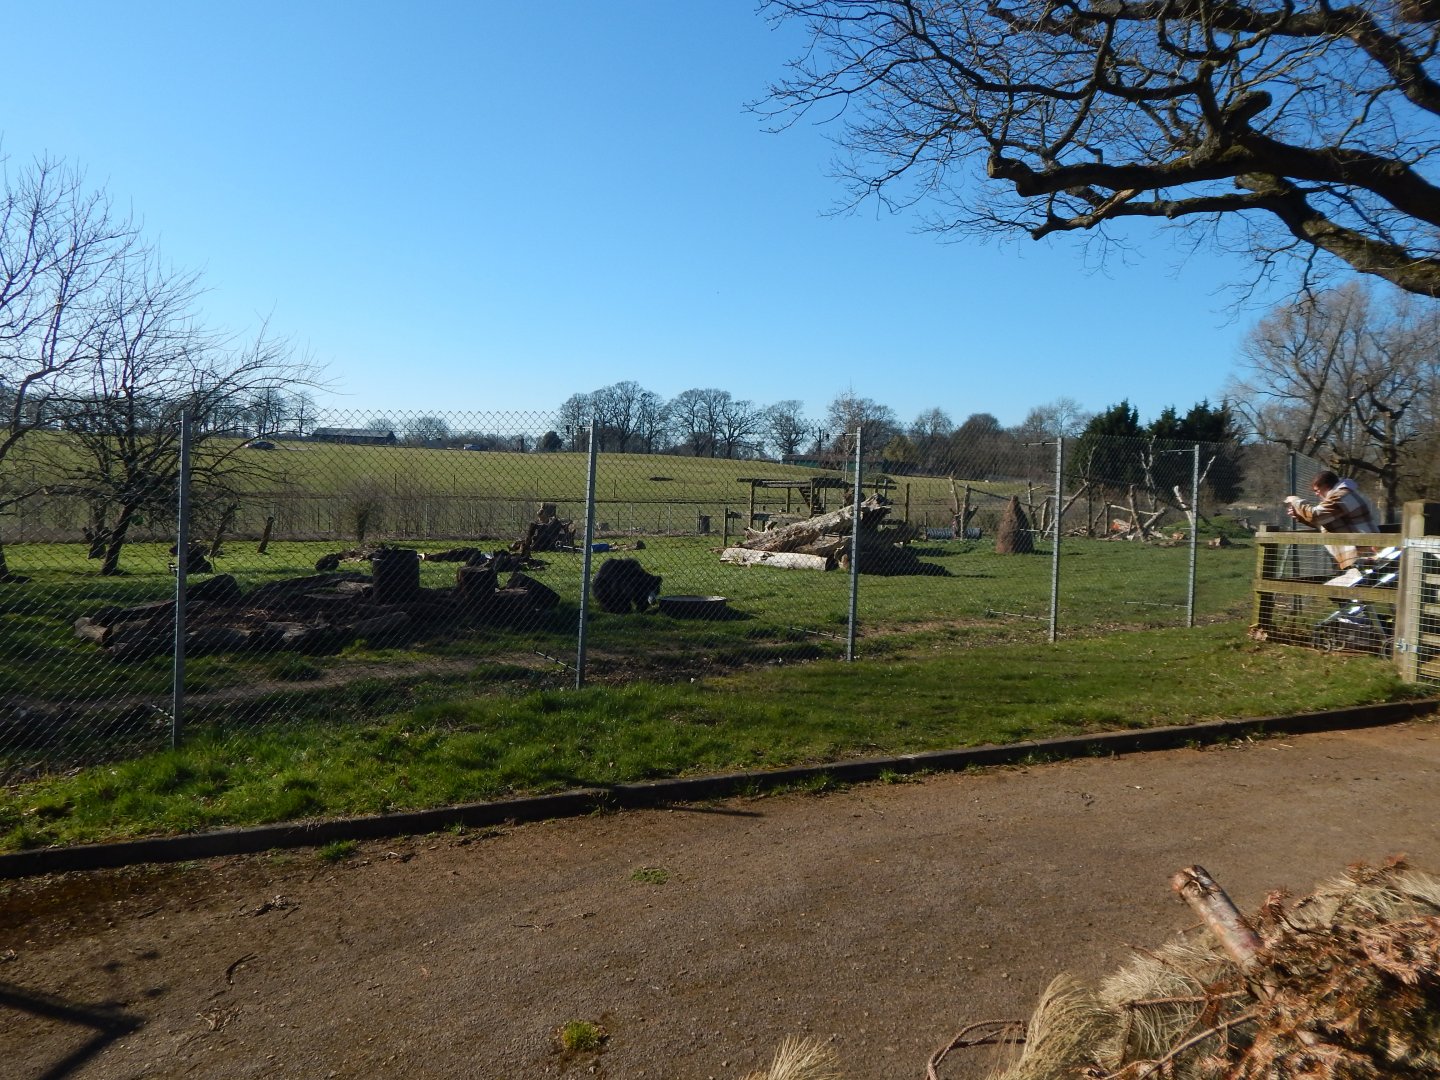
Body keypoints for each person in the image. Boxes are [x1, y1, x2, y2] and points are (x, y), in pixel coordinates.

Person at [1284, 470, 1379, 569]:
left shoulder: (1340, 496)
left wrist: (1296, 501)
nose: (1316, 494)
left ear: (1326, 485)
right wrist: (1300, 516)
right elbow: (1324, 522)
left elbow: (1315, 515)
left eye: (1317, 490)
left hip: (1366, 551)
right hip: (1362, 550)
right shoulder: (1343, 494)